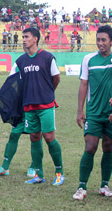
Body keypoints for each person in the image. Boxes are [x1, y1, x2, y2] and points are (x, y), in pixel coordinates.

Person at [9, 27, 64, 185]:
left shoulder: (47, 57)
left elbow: (56, 79)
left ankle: (59, 172)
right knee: (34, 137)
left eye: (26, 37)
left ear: (35, 39)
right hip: (29, 106)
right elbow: (13, 82)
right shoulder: (21, 61)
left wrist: (47, 93)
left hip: (46, 105)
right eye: (23, 37)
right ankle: (38, 174)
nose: (23, 39)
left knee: (49, 137)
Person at [73, 25, 112, 200]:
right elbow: (83, 85)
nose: (100, 43)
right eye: (98, 40)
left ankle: (104, 185)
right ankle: (82, 186)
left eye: (103, 40)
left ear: (111, 41)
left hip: (110, 113)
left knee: (109, 147)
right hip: (94, 113)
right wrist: (80, 110)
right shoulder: (89, 59)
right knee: (90, 147)